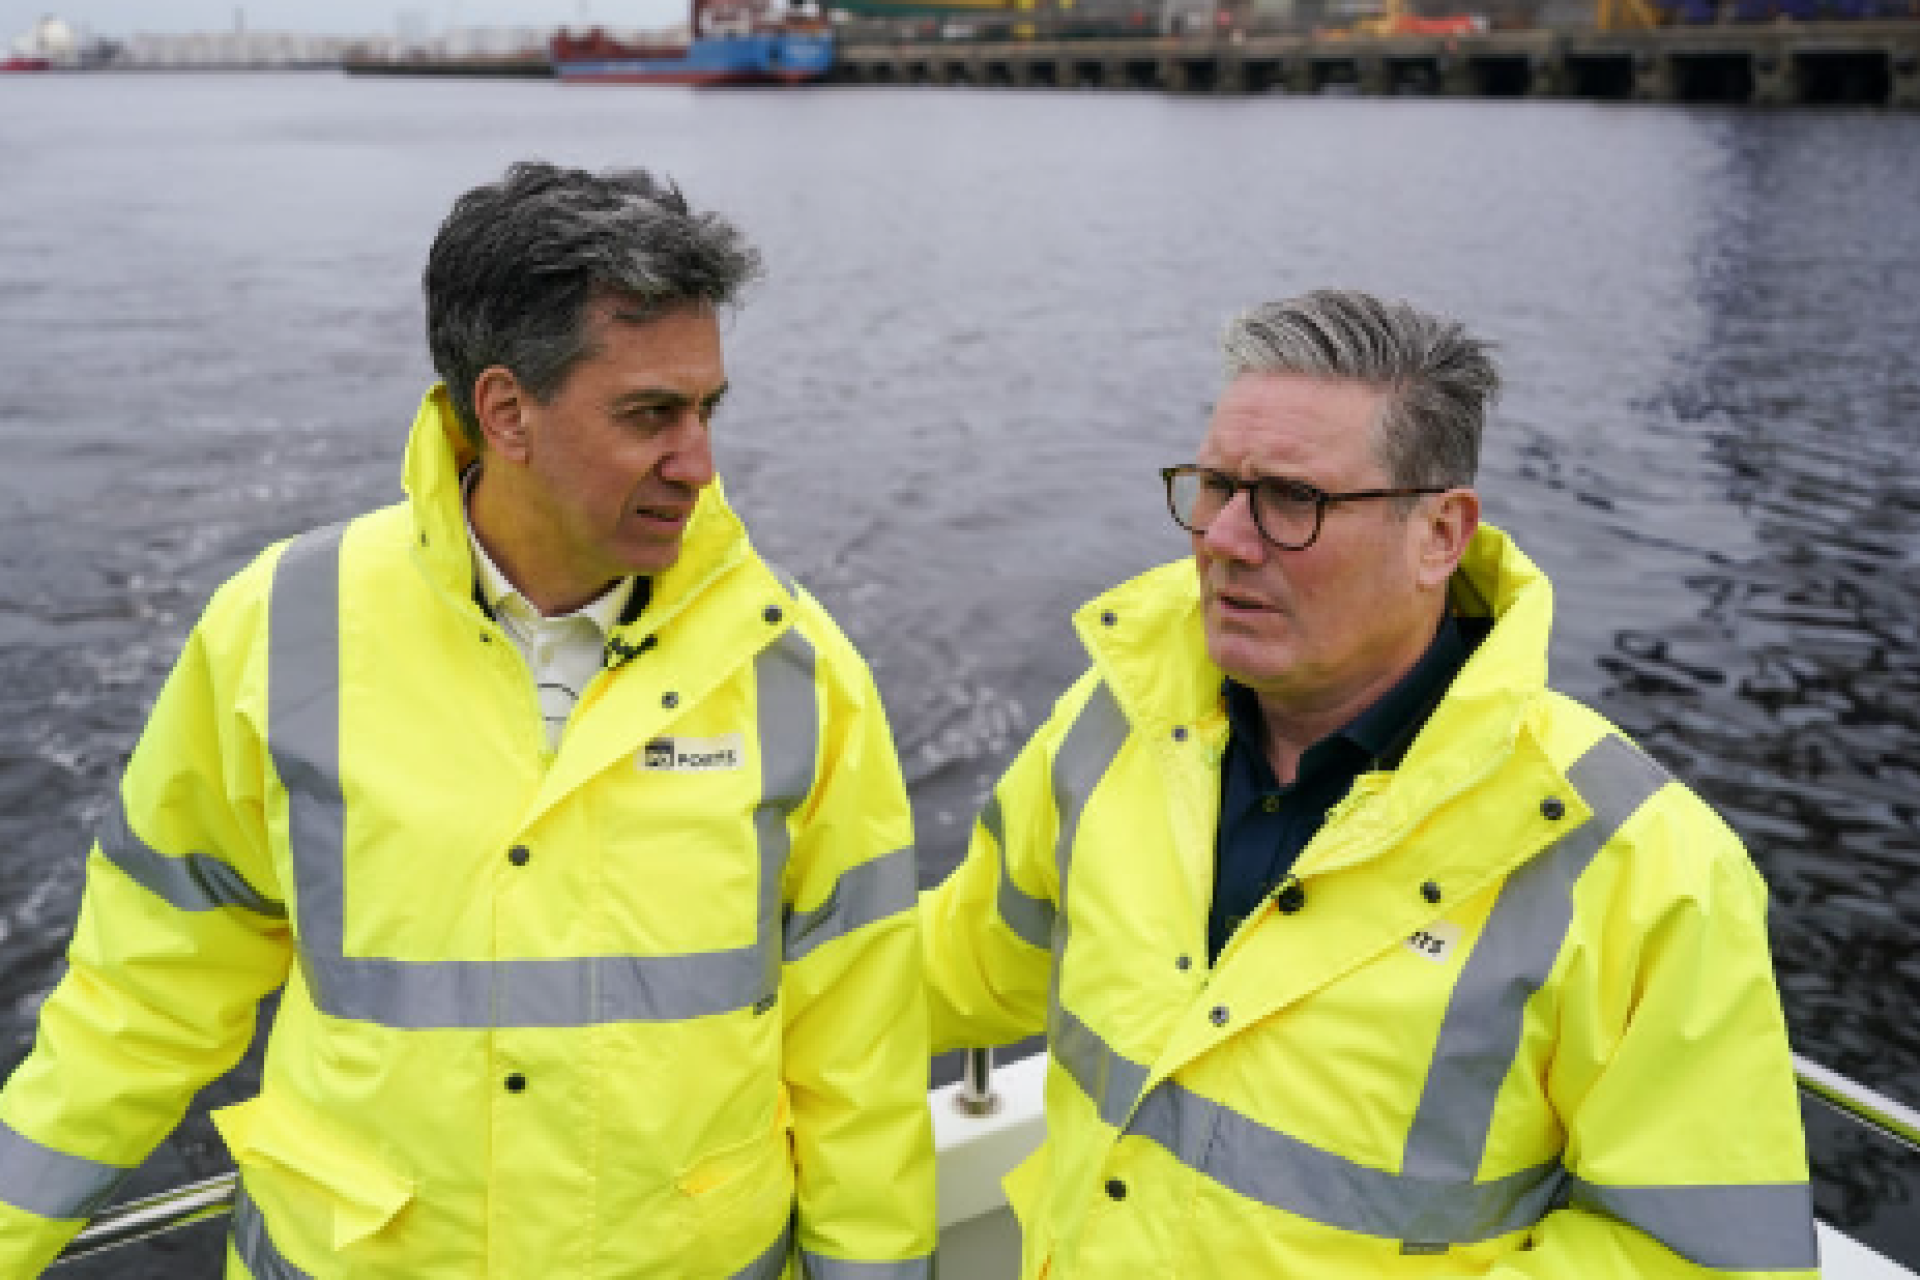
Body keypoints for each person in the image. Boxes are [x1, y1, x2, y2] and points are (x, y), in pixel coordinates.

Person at [0, 161, 935, 1278]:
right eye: (650, 414)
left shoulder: (800, 672)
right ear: (506, 411)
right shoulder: (277, 630)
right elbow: (143, 991)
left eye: (706, 408)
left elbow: (859, 1070)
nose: (699, 462)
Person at [921, 289, 1816, 1277]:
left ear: (1440, 534)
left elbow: (1703, 1259)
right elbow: (962, 962)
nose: (1223, 537)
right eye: (1215, 483)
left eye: (1294, 500)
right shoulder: (1111, 725)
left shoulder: (1638, 863)